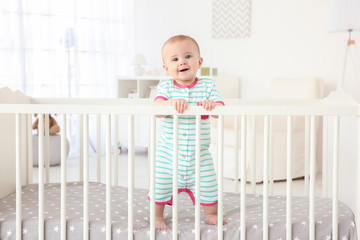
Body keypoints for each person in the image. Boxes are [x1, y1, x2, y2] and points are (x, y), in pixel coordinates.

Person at [150, 35, 225, 230]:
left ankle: (211, 214)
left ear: (199, 62)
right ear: (166, 68)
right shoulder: (165, 87)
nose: (182, 61)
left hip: (199, 155)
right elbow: (157, 109)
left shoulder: (207, 86)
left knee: (209, 184)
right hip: (168, 156)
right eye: (174, 59)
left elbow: (220, 110)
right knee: (160, 186)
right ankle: (157, 217)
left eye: (188, 56)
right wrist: (169, 103)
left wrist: (212, 105)